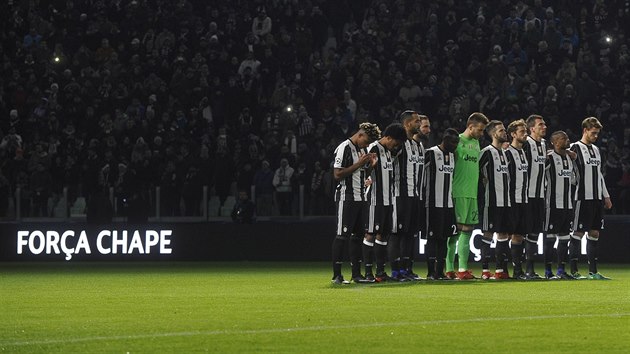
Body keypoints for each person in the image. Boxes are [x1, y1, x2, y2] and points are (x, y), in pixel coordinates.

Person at [330, 122, 381, 284]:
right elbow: (337, 174)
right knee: (342, 235)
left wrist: (371, 168)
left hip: (361, 197)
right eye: (366, 141)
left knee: (358, 236)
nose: (366, 145)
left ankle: (356, 274)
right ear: (360, 135)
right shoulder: (344, 147)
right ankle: (336, 275)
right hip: (347, 197)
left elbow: (360, 173)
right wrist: (359, 164)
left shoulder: (363, 149)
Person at [569, 117, 613, 280]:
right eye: (593, 133)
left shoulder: (596, 149)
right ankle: (574, 271)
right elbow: (570, 175)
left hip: (596, 198)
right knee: (578, 232)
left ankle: (593, 272)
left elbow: (599, 175)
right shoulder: (574, 148)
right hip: (582, 197)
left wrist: (606, 196)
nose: (596, 136)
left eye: (597, 134)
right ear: (585, 130)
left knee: (594, 233)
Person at [363, 123, 407, 283]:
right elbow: (364, 171)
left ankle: (380, 272)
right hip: (375, 199)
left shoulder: (389, 152)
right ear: (388, 138)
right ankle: (368, 272)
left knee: (383, 235)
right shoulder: (373, 149)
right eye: (395, 142)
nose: (396, 146)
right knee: (370, 234)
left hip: (389, 200)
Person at [448, 112, 489, 280]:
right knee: (455, 232)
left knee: (468, 230)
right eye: (479, 130)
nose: (481, 133)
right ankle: (449, 268)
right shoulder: (456, 141)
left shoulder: (476, 143)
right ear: (470, 127)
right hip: (458, 192)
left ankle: (463, 269)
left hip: (472, 194)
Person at [390, 111, 426, 281]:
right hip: (400, 195)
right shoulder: (399, 144)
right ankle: (396, 270)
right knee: (397, 233)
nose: (420, 124)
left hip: (416, 196)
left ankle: (407, 269)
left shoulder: (419, 146)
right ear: (407, 124)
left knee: (411, 234)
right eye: (417, 121)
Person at [424, 128, 460, 280]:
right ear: (444, 139)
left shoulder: (452, 156)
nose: (455, 145)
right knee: (432, 238)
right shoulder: (430, 153)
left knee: (444, 239)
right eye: (452, 142)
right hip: (432, 203)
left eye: (457, 142)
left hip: (448, 204)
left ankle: (440, 271)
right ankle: (431, 272)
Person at [478, 120, 512, 280]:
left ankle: (500, 270)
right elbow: (477, 174)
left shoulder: (505, 154)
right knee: (488, 233)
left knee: (503, 234)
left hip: (506, 202)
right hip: (491, 202)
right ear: (493, 134)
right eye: (501, 130)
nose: (504, 132)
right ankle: (485, 270)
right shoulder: (486, 152)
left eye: (504, 130)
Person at [545, 131, 576, 279]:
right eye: (564, 138)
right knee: (550, 238)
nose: (567, 140)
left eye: (567, 137)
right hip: (552, 204)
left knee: (565, 239)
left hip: (567, 205)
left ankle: (561, 270)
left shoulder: (570, 158)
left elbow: (574, 180)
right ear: (555, 142)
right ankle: (547, 271)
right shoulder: (549, 158)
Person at [505, 119, 533, 280]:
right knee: (508, 235)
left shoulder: (524, 153)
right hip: (512, 200)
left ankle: (517, 271)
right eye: (522, 132)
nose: (526, 134)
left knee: (519, 236)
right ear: (513, 134)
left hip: (524, 200)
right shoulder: (507, 153)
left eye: (526, 131)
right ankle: (503, 269)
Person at [523, 115, 548, 278]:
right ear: (532, 128)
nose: (544, 126)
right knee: (523, 232)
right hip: (526, 195)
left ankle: (530, 269)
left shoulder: (544, 144)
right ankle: (521, 269)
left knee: (535, 233)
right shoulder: (526, 144)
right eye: (541, 124)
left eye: (544, 124)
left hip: (540, 195)